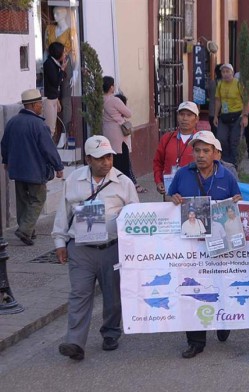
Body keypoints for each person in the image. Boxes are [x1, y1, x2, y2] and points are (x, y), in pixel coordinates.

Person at [53, 135, 138, 361]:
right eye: (100, 158)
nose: (106, 162)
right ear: (89, 159)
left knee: (113, 295)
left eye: (109, 157)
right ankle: (75, 342)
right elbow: (64, 212)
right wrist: (60, 242)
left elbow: (137, 216)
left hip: (113, 247)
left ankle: (111, 332)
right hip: (80, 248)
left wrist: (130, 236)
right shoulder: (74, 180)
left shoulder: (124, 182)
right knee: (79, 294)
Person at [168, 130, 242, 358]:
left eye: (205, 151)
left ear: (214, 154)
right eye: (197, 150)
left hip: (220, 244)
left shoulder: (227, 176)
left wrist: (237, 202)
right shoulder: (182, 174)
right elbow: (170, 201)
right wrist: (174, 199)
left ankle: (223, 321)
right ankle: (196, 341)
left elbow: (237, 204)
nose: (201, 155)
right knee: (194, 289)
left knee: (220, 284)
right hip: (191, 245)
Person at [1, 89, 64, 246]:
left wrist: (6, 161)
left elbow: (5, 144)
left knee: (23, 200)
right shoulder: (39, 125)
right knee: (38, 199)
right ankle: (25, 229)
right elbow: (48, 149)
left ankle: (29, 229)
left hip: (17, 169)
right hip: (35, 169)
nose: (41, 107)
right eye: (40, 104)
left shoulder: (12, 122)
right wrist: (58, 166)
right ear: (34, 105)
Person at [101, 76, 145, 193]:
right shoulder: (114, 100)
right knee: (123, 161)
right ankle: (125, 187)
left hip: (107, 131)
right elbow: (128, 113)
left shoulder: (101, 100)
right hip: (118, 133)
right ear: (111, 87)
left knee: (112, 160)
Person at [153, 101, 199, 195]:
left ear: (196, 119)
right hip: (170, 190)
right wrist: (159, 181)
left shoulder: (201, 140)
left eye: (189, 115)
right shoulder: (167, 138)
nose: (185, 118)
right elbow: (158, 162)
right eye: (182, 114)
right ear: (177, 117)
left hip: (194, 191)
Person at [214, 63, 249, 165]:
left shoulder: (238, 84)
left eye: (227, 71)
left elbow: (246, 101)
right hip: (224, 116)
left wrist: (245, 116)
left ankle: (234, 164)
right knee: (221, 138)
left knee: (234, 141)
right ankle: (225, 161)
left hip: (237, 115)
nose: (225, 74)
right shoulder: (220, 84)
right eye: (223, 72)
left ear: (232, 72)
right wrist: (216, 116)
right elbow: (218, 101)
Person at [42, 41, 66, 135]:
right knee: (50, 129)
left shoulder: (55, 63)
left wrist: (57, 100)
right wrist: (62, 69)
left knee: (53, 127)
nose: (65, 54)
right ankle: (47, 149)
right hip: (48, 99)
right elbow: (55, 82)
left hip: (54, 98)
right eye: (63, 52)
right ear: (58, 53)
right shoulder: (49, 64)